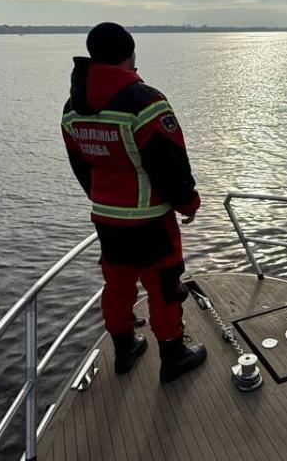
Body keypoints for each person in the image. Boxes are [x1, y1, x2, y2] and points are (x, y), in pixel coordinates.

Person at [61, 22, 206, 383]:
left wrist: (100, 199)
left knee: (117, 283)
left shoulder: (72, 108)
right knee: (164, 287)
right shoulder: (145, 102)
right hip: (151, 219)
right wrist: (188, 203)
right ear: (130, 54)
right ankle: (173, 355)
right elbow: (170, 161)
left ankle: (125, 348)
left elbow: (81, 163)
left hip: (107, 219)